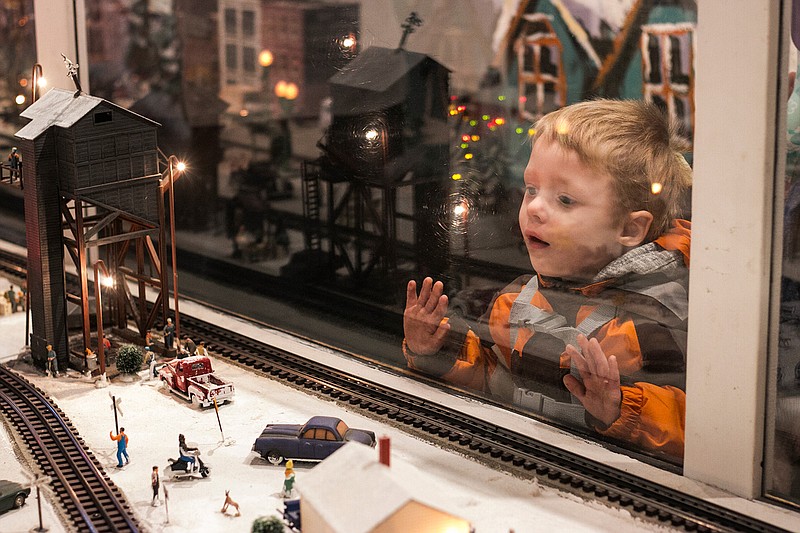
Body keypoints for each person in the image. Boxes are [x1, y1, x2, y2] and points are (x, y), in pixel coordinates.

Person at [403, 99, 691, 460]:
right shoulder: (519, 300)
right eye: (531, 189)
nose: (535, 208)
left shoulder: (653, 324)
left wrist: (623, 408)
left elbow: (701, 431)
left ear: (630, 229)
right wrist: (435, 350)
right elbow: (496, 379)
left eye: (565, 199)